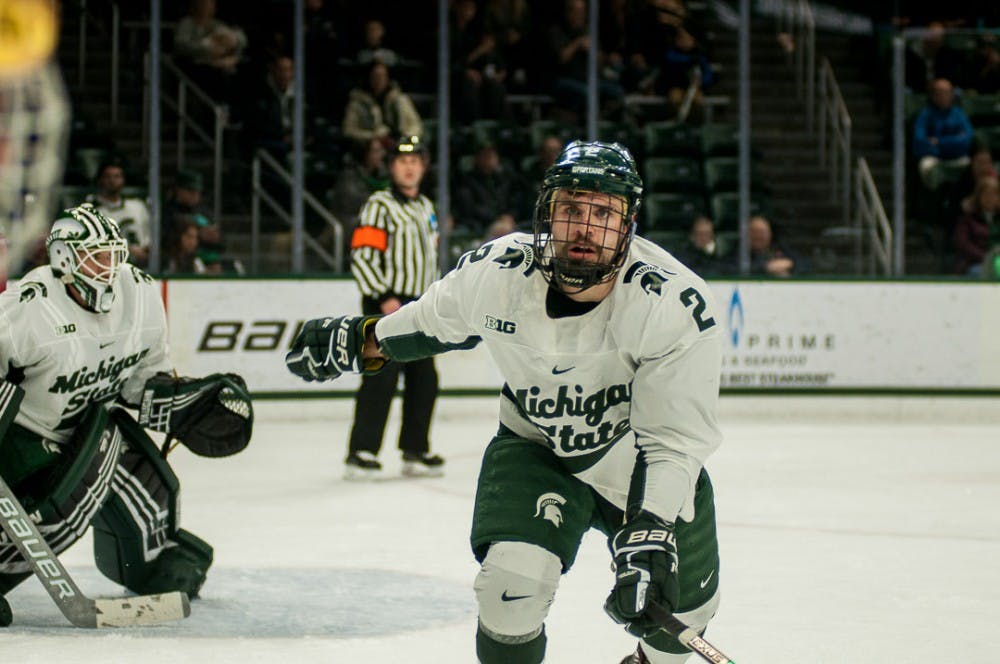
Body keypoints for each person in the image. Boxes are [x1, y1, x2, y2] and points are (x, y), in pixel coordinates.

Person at [286, 140, 724, 664]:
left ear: (629, 224)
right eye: (571, 209)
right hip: (536, 448)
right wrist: (363, 339)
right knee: (508, 591)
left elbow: (672, 439)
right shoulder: (500, 269)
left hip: (637, 467)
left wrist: (650, 528)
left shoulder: (674, 304)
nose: (585, 227)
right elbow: (431, 321)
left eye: (604, 213)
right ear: (548, 213)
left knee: (679, 624)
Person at [0, 204, 254, 626]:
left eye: (114, 254)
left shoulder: (140, 296)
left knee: (136, 469)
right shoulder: (27, 309)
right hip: (23, 441)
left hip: (86, 424)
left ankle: (150, 559)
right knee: (61, 504)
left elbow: (142, 378)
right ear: (64, 260)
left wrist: (183, 401)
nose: (110, 266)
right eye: (96, 256)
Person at [342, 136, 443, 480]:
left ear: (424, 167)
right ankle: (361, 452)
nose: (409, 166)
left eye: (416, 160)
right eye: (402, 161)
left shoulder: (426, 207)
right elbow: (362, 256)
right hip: (383, 304)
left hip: (419, 307)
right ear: (391, 167)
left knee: (424, 379)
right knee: (379, 377)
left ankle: (414, 450)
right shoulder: (379, 205)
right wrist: (384, 296)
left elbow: (430, 259)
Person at [85, 159, 151, 267]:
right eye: (108, 177)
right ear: (100, 180)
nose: (112, 181)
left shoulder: (138, 207)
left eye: (117, 176)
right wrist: (128, 250)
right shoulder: (92, 212)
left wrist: (145, 250)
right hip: (107, 269)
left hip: (140, 267)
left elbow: (148, 239)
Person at [341, 61, 423, 148]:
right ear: (369, 78)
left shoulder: (400, 100)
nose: (378, 80)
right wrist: (373, 137)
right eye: (375, 77)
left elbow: (416, 125)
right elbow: (349, 130)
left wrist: (405, 138)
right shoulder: (357, 102)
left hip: (400, 146)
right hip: (369, 147)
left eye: (382, 76)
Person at [912, 78, 974, 192]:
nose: (944, 96)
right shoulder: (925, 115)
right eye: (940, 93)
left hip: (957, 157)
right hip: (933, 158)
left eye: (947, 92)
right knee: (926, 167)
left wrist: (939, 142)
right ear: (933, 95)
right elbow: (919, 142)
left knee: (973, 166)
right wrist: (952, 143)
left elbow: (966, 140)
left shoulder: (958, 114)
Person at [953, 175, 1000, 275]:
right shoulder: (967, 219)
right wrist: (987, 258)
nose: (990, 199)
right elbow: (964, 244)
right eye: (986, 195)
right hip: (976, 263)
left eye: (994, 195)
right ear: (979, 197)